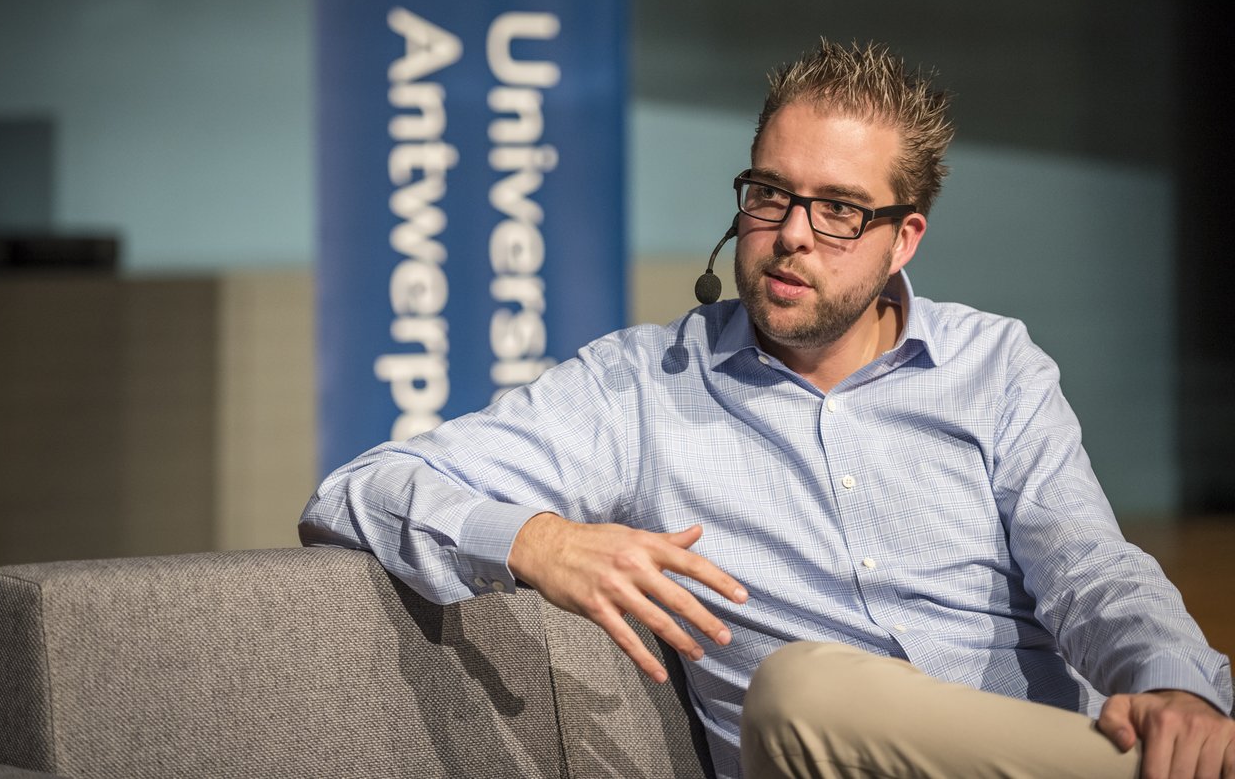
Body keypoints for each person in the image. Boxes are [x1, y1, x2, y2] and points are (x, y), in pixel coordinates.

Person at [300, 39, 1235, 778]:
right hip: (823, 747)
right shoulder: (639, 389)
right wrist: (537, 541)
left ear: (904, 238)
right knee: (801, 693)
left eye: (839, 211)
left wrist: (1171, 688)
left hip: (1041, 749)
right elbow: (360, 489)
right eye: (770, 194)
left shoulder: (993, 364)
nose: (791, 235)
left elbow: (1090, 570)